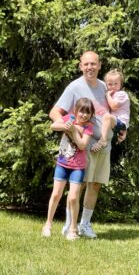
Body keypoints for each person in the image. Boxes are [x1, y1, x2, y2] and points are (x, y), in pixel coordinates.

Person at [48, 51, 127, 239]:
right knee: (80, 185)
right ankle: (70, 224)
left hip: (104, 145)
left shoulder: (105, 87)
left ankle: (85, 224)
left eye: (94, 64)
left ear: (99, 65)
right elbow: (54, 112)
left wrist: (122, 129)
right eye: (86, 64)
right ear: (80, 66)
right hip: (84, 145)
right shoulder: (74, 87)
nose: (90, 67)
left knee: (95, 185)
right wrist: (70, 129)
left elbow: (117, 110)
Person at [42, 98, 95, 240]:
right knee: (56, 194)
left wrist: (74, 130)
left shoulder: (89, 127)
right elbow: (54, 126)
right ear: (76, 111)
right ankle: (47, 225)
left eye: (87, 112)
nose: (84, 115)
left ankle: (72, 229)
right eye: (81, 111)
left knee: (73, 198)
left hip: (78, 167)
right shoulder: (69, 118)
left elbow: (83, 145)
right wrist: (67, 126)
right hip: (62, 164)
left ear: (91, 115)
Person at [91, 69, 130, 152]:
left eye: (116, 84)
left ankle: (102, 141)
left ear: (120, 84)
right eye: (110, 84)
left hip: (120, 122)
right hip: (114, 124)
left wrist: (108, 95)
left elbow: (113, 106)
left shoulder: (121, 94)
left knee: (107, 117)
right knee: (107, 118)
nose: (113, 86)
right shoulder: (111, 94)